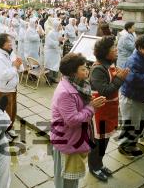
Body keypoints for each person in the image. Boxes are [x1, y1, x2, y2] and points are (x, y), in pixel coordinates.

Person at [51, 53, 106, 188]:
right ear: (73, 73)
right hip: (68, 139)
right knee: (66, 179)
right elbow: (72, 120)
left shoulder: (77, 85)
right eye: (82, 69)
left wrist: (89, 104)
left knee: (72, 178)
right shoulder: (65, 92)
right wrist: (91, 107)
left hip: (74, 137)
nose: (87, 70)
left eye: (86, 67)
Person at [89, 36, 129, 182]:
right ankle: (94, 166)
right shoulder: (98, 69)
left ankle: (99, 163)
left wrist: (120, 77)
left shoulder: (109, 65)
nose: (116, 50)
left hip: (109, 110)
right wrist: (119, 79)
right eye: (113, 48)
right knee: (98, 142)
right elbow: (105, 90)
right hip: (100, 112)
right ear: (106, 53)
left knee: (105, 140)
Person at [0, 33, 22, 141]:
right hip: (4, 89)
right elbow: (3, 75)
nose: (11, 43)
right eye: (8, 42)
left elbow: (14, 66)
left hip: (11, 88)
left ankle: (9, 128)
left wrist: (17, 64)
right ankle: (3, 132)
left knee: (12, 110)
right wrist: (14, 67)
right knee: (5, 112)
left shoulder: (8, 53)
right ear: (2, 44)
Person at [45, 19, 64, 83]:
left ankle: (54, 78)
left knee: (56, 65)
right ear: (56, 26)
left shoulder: (59, 32)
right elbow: (50, 43)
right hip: (50, 52)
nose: (60, 27)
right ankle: (48, 79)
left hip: (56, 52)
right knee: (50, 65)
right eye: (59, 26)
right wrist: (58, 41)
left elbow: (60, 42)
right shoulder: (51, 33)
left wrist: (61, 41)